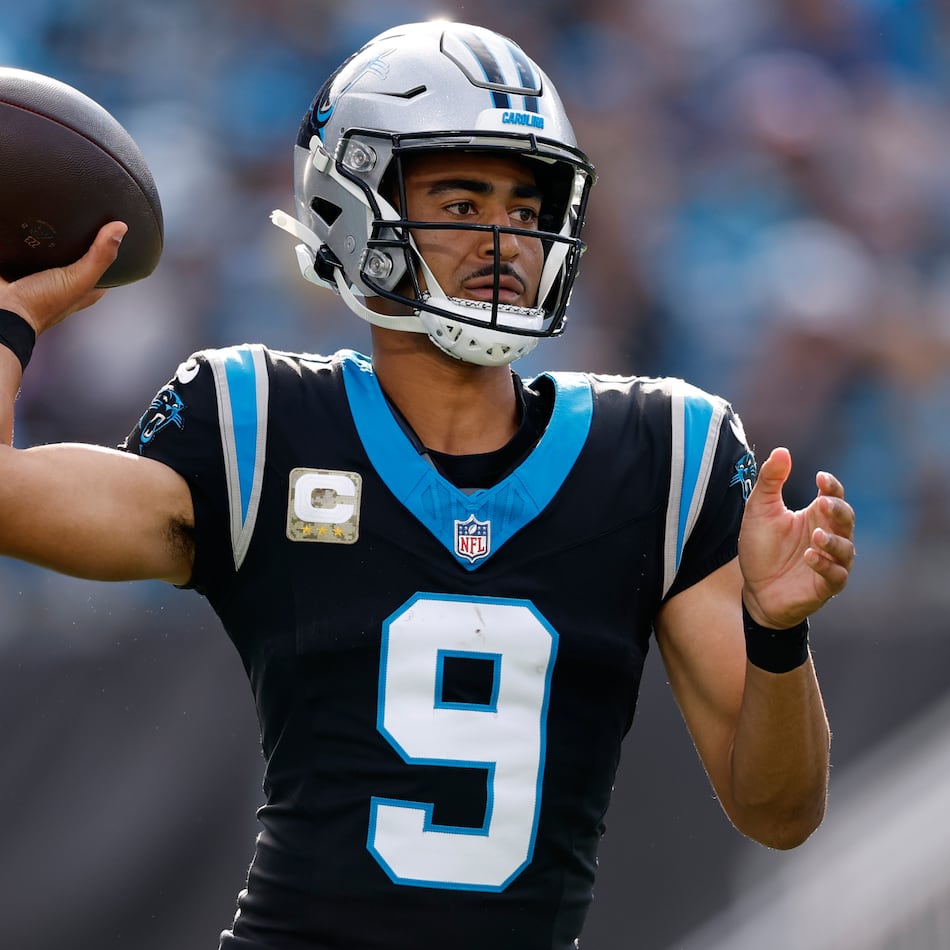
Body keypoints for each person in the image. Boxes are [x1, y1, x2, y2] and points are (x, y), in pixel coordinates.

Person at [0, 21, 855, 950]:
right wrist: (9, 320)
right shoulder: (258, 422)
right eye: (462, 198)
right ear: (351, 204)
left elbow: (780, 813)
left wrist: (777, 635)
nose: (507, 237)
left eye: (528, 208)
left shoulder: (661, 452)